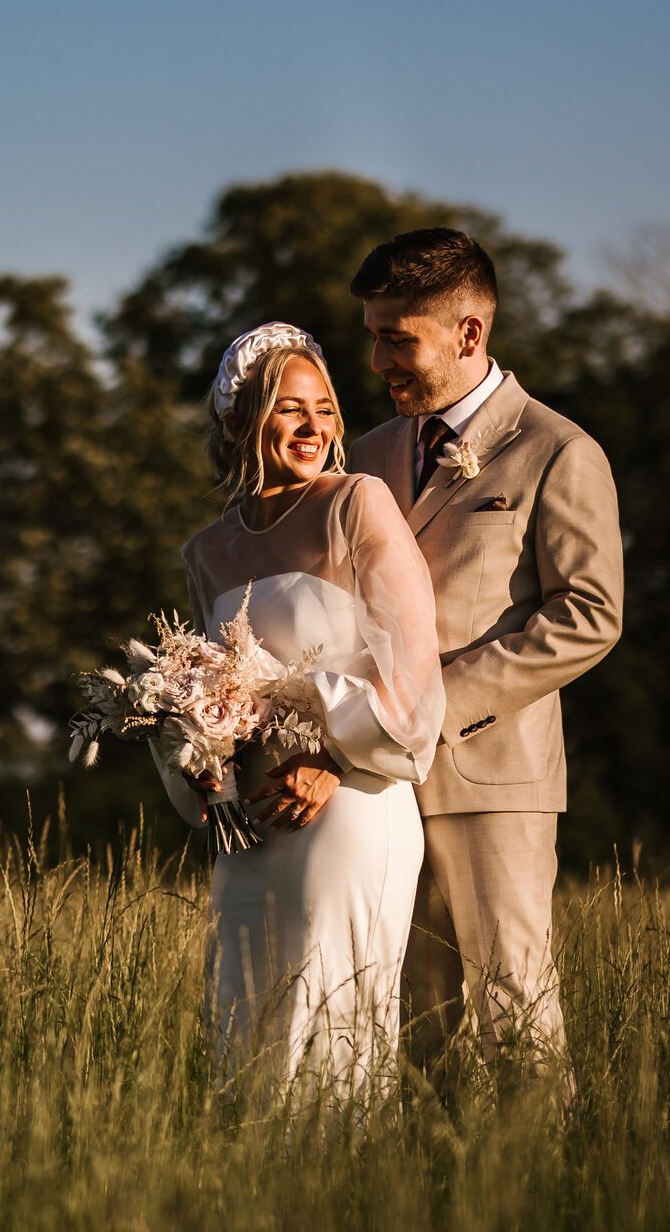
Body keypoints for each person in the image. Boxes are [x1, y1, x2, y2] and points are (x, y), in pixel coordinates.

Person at [344, 228, 623, 1078]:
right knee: (411, 1018)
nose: (381, 359)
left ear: (469, 332)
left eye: (401, 338)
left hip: (491, 774)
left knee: (515, 1011)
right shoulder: (365, 456)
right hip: (377, 784)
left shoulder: (558, 451)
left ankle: (545, 1194)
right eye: (374, 336)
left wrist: (435, 704)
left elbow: (591, 614)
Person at [152, 322, 445, 1098]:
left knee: (332, 1016)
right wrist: (203, 766)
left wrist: (333, 759)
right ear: (243, 422)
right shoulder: (205, 551)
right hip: (248, 828)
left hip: (350, 805)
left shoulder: (358, 503)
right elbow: (197, 687)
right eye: (290, 408)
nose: (315, 426)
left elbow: (413, 673)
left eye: (325, 407)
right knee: (245, 1016)